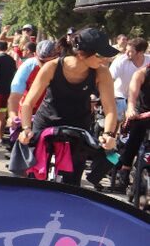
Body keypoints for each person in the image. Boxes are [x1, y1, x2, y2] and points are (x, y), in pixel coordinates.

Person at [16, 29, 119, 187]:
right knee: (33, 175)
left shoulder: (101, 73)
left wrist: (108, 134)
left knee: (72, 183)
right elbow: (28, 103)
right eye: (100, 55)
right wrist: (26, 128)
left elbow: (110, 109)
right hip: (47, 121)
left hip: (78, 124)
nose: (105, 59)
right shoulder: (51, 67)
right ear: (81, 53)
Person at [114, 63, 150, 191]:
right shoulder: (141, 73)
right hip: (142, 114)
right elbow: (132, 98)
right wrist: (130, 109)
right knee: (137, 131)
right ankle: (125, 168)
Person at [109, 37, 147, 116]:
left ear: (141, 52)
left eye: (130, 51)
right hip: (120, 97)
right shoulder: (120, 61)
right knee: (118, 120)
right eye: (126, 50)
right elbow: (109, 80)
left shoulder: (148, 62)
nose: (126, 53)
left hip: (141, 100)